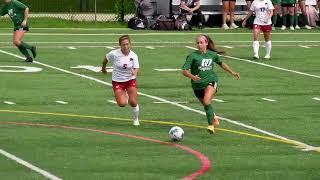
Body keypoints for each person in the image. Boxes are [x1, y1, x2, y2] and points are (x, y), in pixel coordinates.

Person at [182, 34, 240, 134]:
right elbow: (184, 71)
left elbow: (221, 63)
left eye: (201, 42)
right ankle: (213, 116)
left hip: (211, 81)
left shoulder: (212, 55)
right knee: (206, 105)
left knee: (207, 100)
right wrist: (193, 77)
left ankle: (211, 126)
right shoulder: (192, 56)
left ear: (207, 43)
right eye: (198, 43)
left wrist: (232, 72)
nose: (199, 45)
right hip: (197, 85)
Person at [101, 35, 140, 126]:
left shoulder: (133, 55)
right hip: (118, 81)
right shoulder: (114, 54)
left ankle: (136, 119)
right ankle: (124, 95)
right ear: (120, 45)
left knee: (133, 102)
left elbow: (136, 67)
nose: (125, 46)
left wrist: (135, 72)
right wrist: (103, 68)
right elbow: (106, 59)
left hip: (130, 80)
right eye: (123, 44)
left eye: (127, 44)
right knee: (122, 104)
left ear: (130, 44)